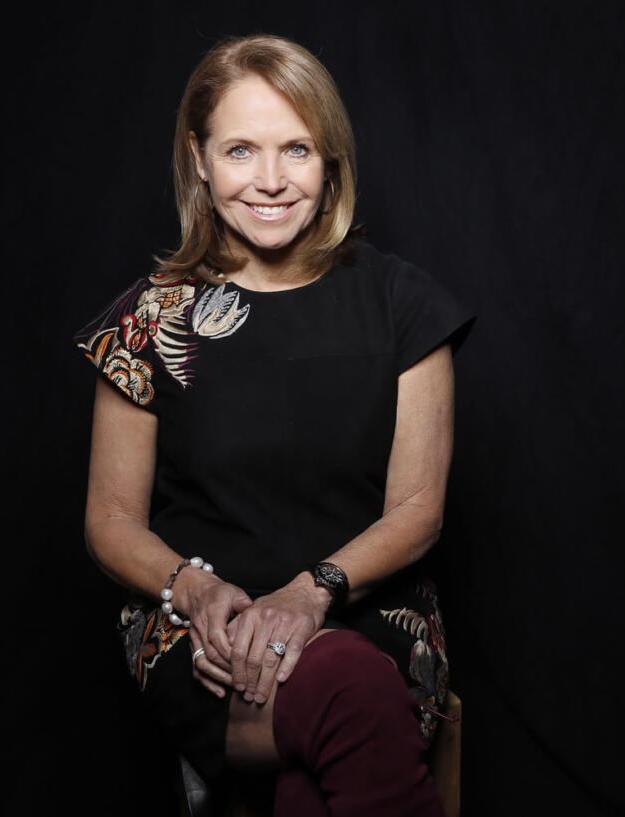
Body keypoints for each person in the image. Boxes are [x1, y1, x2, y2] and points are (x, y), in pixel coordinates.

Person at [75, 33, 472, 816]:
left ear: (330, 163)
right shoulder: (149, 320)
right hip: (204, 639)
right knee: (340, 709)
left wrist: (309, 593)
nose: (269, 180)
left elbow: (418, 511)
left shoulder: (405, 306)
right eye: (240, 150)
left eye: (296, 149)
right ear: (199, 157)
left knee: (343, 705)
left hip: (373, 624)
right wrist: (194, 588)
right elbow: (109, 517)